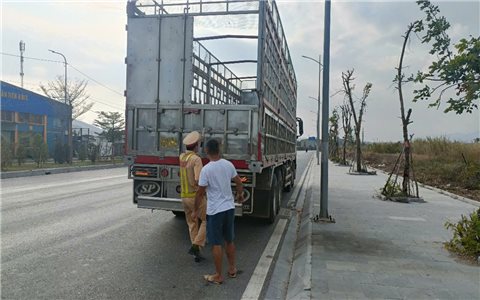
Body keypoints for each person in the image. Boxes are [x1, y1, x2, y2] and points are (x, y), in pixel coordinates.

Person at [193, 138, 244, 285]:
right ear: (219, 149)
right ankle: (232, 269)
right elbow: (239, 182)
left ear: (207, 151)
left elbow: (200, 193)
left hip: (215, 211)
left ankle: (218, 275)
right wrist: (240, 195)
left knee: (216, 243)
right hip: (229, 208)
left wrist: (195, 210)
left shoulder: (206, 169)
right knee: (229, 240)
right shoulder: (228, 165)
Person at [179, 131, 206, 263]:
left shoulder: (182, 157)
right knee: (207, 220)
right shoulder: (196, 159)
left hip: (184, 196)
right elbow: (198, 179)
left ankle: (197, 253)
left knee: (192, 223)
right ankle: (196, 246)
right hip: (195, 197)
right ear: (196, 146)